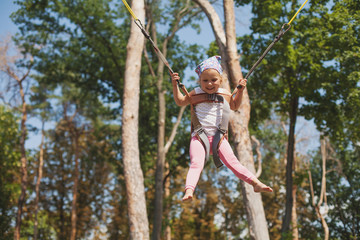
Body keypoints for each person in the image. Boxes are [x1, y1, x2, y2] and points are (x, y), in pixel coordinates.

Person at [170, 56, 273, 202]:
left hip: (219, 138)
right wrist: (175, 85)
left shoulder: (225, 94)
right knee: (196, 163)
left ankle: (255, 183)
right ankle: (189, 190)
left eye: (214, 80)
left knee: (233, 162)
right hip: (200, 137)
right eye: (205, 80)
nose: (209, 83)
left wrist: (241, 90)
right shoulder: (195, 93)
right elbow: (180, 101)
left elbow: (235, 106)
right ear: (200, 81)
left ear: (221, 80)